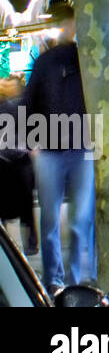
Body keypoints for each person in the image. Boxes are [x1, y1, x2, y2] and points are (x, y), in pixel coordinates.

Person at [21, 2, 96, 293]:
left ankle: (70, 279)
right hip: (57, 147)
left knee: (75, 218)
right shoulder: (53, 61)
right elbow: (29, 101)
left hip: (75, 146)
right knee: (59, 217)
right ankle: (58, 279)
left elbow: (29, 100)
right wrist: (31, 141)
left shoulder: (76, 58)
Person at [0, 75, 37, 256]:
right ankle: (30, 241)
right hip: (21, 161)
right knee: (26, 205)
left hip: (4, 162)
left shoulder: (6, 108)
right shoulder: (22, 106)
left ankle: (12, 245)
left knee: (7, 209)